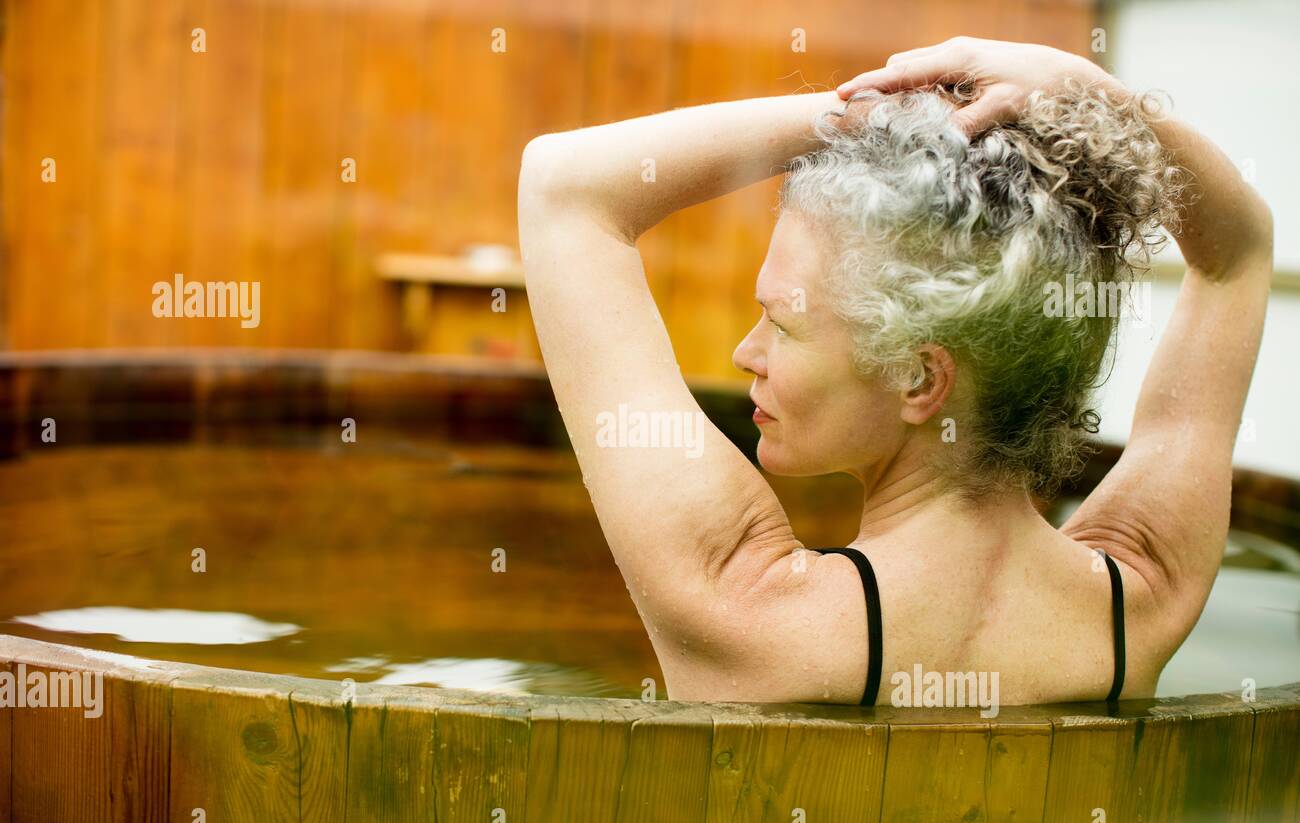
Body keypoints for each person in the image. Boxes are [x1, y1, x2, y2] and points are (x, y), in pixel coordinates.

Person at [516, 37, 1273, 707]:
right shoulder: (1140, 601)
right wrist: (1083, 92)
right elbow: (1237, 251)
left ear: (920, 380)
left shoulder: (741, 612)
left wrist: (870, 113)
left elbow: (566, 186)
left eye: (783, 321)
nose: (748, 354)